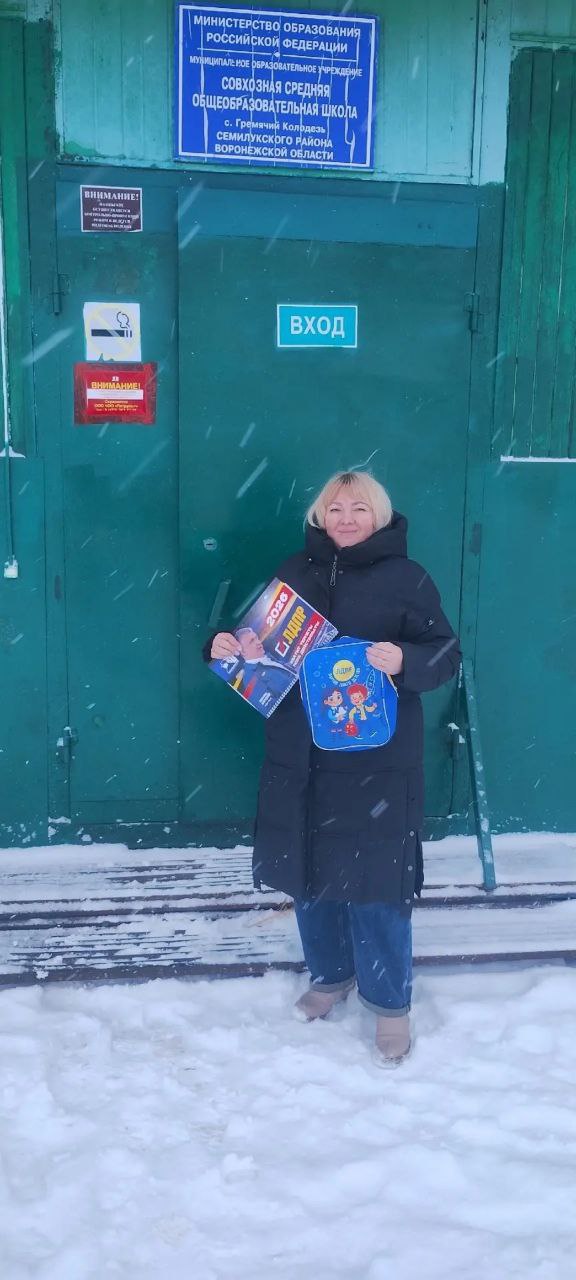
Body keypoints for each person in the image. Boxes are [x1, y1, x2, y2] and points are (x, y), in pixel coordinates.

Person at [208, 471, 461, 1065]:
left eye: (359, 508)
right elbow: (256, 646)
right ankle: (330, 976)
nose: (346, 519)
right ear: (321, 516)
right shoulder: (294, 572)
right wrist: (226, 647)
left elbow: (445, 653)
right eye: (336, 508)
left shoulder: (408, 578)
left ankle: (389, 1004)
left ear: (379, 516)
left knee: (377, 883)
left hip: (377, 760)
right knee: (309, 874)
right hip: (302, 755)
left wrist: (405, 659)